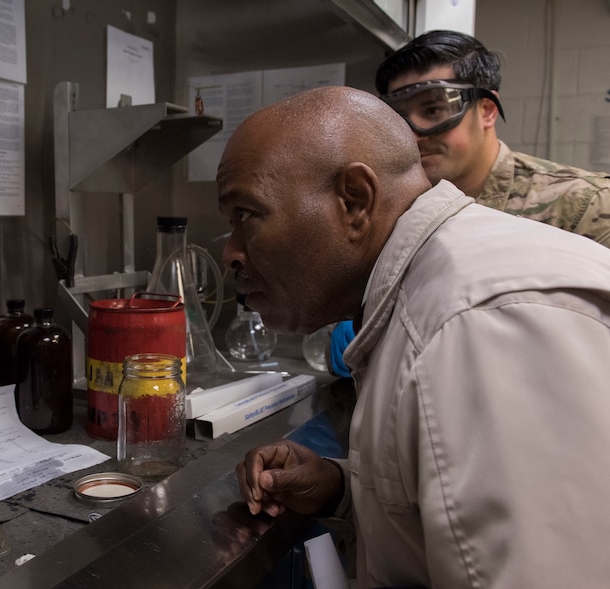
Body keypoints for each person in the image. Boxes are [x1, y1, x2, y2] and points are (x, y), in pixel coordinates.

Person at [219, 85, 610, 588]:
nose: (231, 251)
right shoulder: (434, 290)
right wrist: (343, 490)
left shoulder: (475, 328)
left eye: (246, 215)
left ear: (354, 200)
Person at [328, 30, 610, 377]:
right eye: (400, 119)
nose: (415, 133)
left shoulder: (581, 204)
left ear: (487, 110)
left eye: (433, 110)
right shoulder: (398, 212)